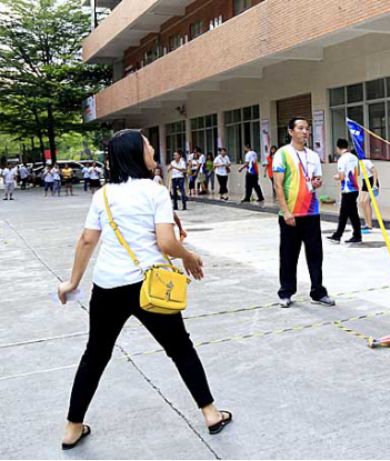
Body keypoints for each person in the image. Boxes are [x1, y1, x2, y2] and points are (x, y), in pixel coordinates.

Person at [56, 129, 231, 451]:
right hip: (150, 284)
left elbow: (87, 240)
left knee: (95, 354)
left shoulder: (102, 195)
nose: (152, 151)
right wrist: (189, 256)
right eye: (148, 146)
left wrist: (73, 282)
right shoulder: (155, 191)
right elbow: (166, 242)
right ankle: (210, 413)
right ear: (136, 153)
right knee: (180, 348)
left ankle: (72, 428)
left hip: (108, 286)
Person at [273, 117, 334, 308]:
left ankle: (318, 292)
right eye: (300, 128)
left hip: (311, 212)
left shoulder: (313, 156)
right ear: (291, 131)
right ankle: (286, 292)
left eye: (307, 128)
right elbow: (278, 185)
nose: (305, 132)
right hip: (290, 214)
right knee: (289, 255)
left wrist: (316, 183)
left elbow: (317, 180)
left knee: (315, 255)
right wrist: (286, 211)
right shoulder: (282, 154)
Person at [327, 139, 362, 244]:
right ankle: (353, 235)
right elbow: (358, 173)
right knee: (351, 213)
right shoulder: (354, 158)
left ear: (338, 148)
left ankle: (339, 235)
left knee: (345, 214)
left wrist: (336, 177)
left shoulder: (342, 159)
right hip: (355, 188)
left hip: (347, 190)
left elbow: (341, 176)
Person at [358, 158, 379, 233]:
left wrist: (374, 185)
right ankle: (366, 223)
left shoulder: (366, 161)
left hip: (371, 181)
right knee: (361, 202)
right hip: (365, 182)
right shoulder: (355, 164)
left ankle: (369, 225)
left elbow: (375, 171)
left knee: (366, 202)